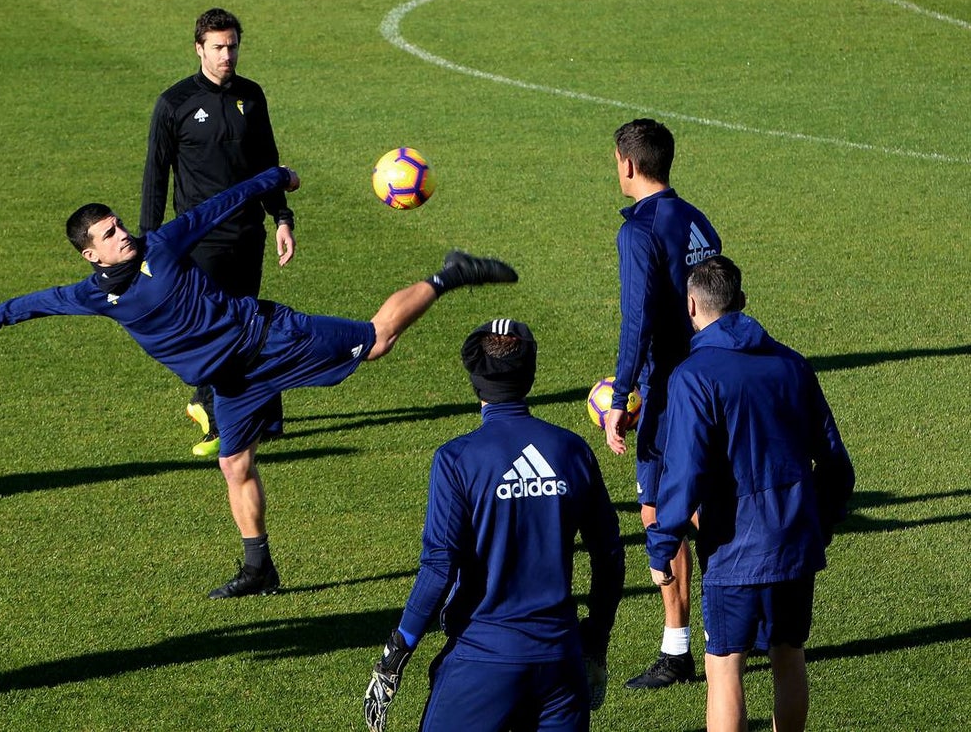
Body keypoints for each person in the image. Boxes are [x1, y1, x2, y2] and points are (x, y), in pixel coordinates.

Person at [0, 166, 518, 599]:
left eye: (121, 224)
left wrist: (277, 179)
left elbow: (220, 203)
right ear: (91, 253)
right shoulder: (93, 294)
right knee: (234, 464)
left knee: (375, 341)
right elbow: (44, 302)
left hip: (270, 338)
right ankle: (258, 567)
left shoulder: (163, 245)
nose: (124, 234)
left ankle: (451, 273)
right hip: (231, 384)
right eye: (109, 233)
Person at [364, 319, 624, 732]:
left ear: (475, 381)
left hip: (482, 663)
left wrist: (395, 656)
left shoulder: (457, 460)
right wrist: (595, 641)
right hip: (560, 662)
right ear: (531, 375)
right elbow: (609, 555)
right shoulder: (572, 451)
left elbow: (438, 569)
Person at [646, 255, 854, 732]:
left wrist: (662, 545)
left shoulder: (694, 377)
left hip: (732, 552)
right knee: (789, 656)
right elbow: (836, 462)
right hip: (795, 544)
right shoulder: (792, 364)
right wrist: (818, 523)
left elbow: (683, 475)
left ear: (692, 306)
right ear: (740, 301)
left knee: (724, 667)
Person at [140, 7, 293, 458]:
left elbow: (268, 162)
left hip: (248, 234)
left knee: (249, 320)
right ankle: (211, 412)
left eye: (232, 46)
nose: (227, 55)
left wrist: (281, 218)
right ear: (199, 49)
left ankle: (264, 414)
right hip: (200, 239)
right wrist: (148, 242)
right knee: (212, 327)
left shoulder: (252, 95)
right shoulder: (175, 103)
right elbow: (156, 174)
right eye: (218, 48)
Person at [603, 118, 721, 688]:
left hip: (667, 391)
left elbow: (638, 322)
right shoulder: (698, 219)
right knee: (693, 508)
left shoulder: (637, 232)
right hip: (711, 379)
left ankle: (695, 647)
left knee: (663, 512)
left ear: (627, 164)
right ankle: (701, 642)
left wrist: (623, 394)